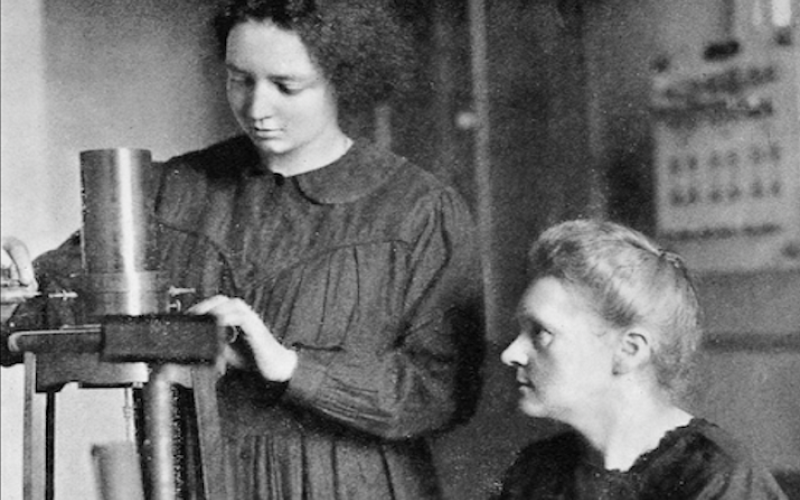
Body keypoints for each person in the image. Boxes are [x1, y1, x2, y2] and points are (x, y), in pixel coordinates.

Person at [1, 1, 484, 498]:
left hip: (354, 485)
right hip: (200, 482)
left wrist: (289, 366)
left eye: (286, 86)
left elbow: (440, 392)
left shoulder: (418, 210)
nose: (256, 108)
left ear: (343, 76)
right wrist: (10, 298)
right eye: (239, 79)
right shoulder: (168, 192)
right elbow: (33, 318)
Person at [494, 219, 787, 500]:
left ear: (629, 350)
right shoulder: (535, 471)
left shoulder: (717, 477)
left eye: (541, 333)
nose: (511, 353)